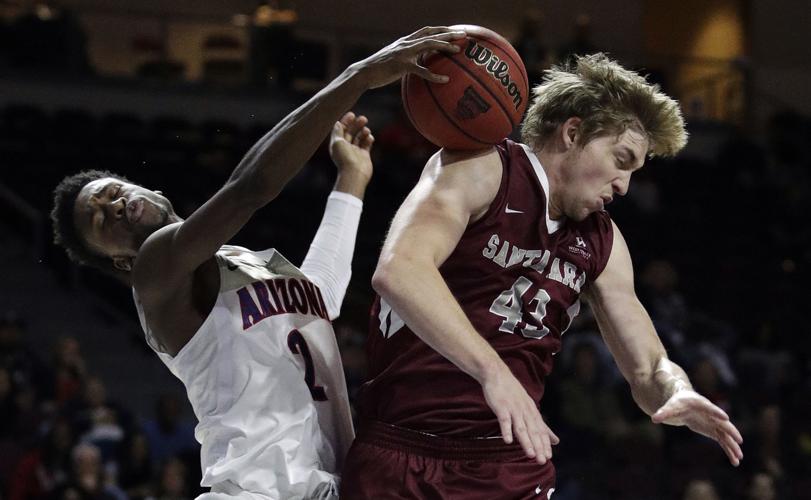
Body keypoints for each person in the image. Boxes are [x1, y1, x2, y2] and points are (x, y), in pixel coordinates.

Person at [49, 26, 467, 500]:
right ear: (122, 263)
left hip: (331, 486)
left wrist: (351, 180)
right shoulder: (155, 273)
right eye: (101, 220)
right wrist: (358, 76)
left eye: (111, 191)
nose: (114, 205)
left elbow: (320, 295)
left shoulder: (244, 263)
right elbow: (251, 187)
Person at [341, 53, 744, 499]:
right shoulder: (482, 168)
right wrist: (493, 372)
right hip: (400, 448)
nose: (624, 186)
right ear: (572, 133)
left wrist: (676, 390)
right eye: (621, 159)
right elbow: (400, 270)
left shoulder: (602, 242)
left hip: (508, 462)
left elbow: (648, 367)